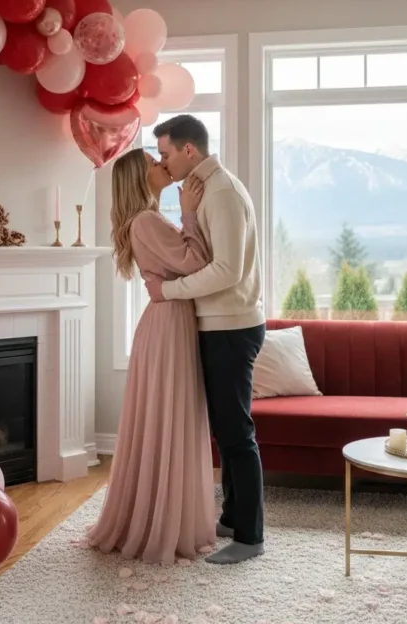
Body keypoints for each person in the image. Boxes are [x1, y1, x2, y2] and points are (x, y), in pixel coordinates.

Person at [145, 114, 266, 566]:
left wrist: (168, 291)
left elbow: (226, 270)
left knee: (236, 433)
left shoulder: (223, 193)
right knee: (226, 430)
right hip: (221, 324)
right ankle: (234, 518)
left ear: (188, 150)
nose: (164, 163)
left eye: (165, 154)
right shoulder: (206, 191)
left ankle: (251, 536)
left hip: (231, 326)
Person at [87, 148, 216, 565]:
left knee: (171, 418)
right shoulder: (147, 221)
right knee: (171, 417)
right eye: (152, 164)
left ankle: (168, 517)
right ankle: (161, 523)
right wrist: (191, 213)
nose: (162, 165)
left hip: (169, 321)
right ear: (139, 180)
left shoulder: (149, 220)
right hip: (168, 325)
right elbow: (196, 262)